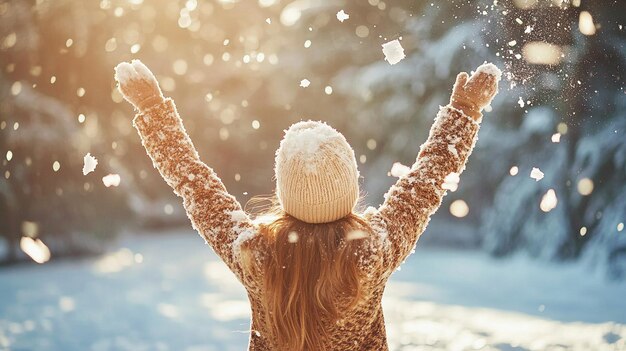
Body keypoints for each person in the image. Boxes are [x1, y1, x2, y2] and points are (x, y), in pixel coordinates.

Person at [115, 60, 500, 351]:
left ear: (285, 193)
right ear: (349, 188)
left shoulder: (256, 255)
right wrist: (465, 111)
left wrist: (152, 109)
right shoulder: (372, 252)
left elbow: (194, 184)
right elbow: (425, 182)